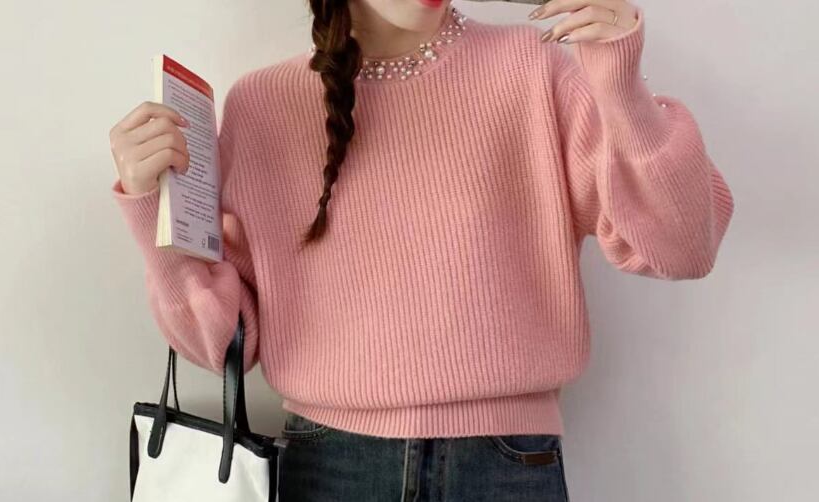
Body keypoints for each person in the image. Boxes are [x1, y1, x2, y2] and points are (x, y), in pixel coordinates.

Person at [107, 0, 735, 500]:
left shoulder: (536, 69)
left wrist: (620, 83)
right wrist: (151, 212)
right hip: (328, 466)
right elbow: (223, 346)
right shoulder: (262, 104)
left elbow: (683, 247)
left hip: (506, 465)